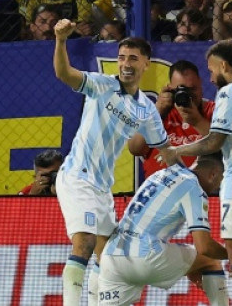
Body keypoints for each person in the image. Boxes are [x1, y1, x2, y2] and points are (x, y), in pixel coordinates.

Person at [52, 23, 177, 306]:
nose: (126, 64)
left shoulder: (146, 109)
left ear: (146, 63)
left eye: (133, 58)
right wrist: (60, 40)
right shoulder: (102, 85)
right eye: (121, 58)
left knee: (107, 257)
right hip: (77, 177)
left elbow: (166, 150)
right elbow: (64, 73)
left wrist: (192, 173)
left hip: (102, 187)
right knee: (84, 243)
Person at [168, 40, 232, 306]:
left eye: (212, 70)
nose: (211, 77)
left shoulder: (229, 93)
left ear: (224, 65)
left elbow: (214, 141)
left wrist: (177, 151)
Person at [96, 155, 229, 306]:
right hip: (145, 256)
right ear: (213, 174)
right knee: (211, 260)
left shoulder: (161, 174)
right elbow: (204, 247)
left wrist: (192, 266)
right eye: (220, 182)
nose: (217, 188)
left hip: (111, 258)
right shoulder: (193, 187)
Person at [129, 60, 214, 180]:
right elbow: (135, 149)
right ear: (170, 88)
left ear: (201, 84)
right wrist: (158, 111)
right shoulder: (157, 112)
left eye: (192, 89)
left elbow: (227, 148)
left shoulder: (214, 111)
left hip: (199, 187)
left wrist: (197, 121)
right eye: (182, 90)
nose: (188, 95)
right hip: (159, 186)